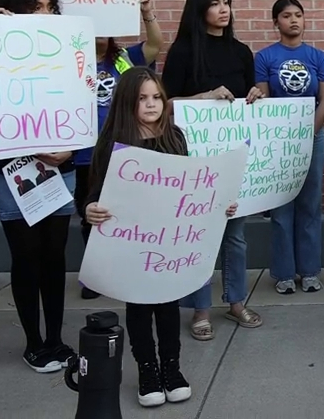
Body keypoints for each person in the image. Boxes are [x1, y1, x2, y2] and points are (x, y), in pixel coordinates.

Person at [84, 67, 239, 407]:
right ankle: (147, 369)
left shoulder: (175, 137)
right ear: (127, 102)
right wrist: (90, 209)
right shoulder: (112, 145)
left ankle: (172, 367)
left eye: (156, 97)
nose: (151, 104)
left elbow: (191, 188)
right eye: (142, 98)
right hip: (131, 243)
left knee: (168, 306)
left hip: (169, 243)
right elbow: (94, 194)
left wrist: (218, 205)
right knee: (139, 308)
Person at [0, 0, 78, 372]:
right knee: (27, 257)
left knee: (55, 258)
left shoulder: (62, 53)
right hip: (12, 172)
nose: (48, 13)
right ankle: (34, 343)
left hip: (60, 168)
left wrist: (69, 146)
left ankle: (55, 338)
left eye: (50, 7)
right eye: (38, 7)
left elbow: (78, 99)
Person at [161, 0, 265, 341]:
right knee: (200, 235)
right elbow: (166, 105)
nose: (224, 9)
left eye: (227, 2)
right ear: (199, 8)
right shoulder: (183, 51)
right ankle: (200, 310)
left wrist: (255, 95)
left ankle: (236, 301)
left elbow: (251, 98)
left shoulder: (241, 51)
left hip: (236, 157)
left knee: (235, 236)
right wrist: (204, 96)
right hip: (195, 158)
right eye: (215, 3)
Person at [73, 0, 163, 300]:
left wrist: (146, 11)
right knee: (91, 213)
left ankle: (127, 268)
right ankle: (95, 274)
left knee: (129, 212)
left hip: (126, 149)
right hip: (85, 153)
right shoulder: (68, 59)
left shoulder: (124, 58)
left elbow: (154, 45)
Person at [254, 0, 324, 295]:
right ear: (276, 22)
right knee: (281, 206)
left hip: (312, 136)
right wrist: (285, 137)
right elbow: (263, 98)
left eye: (299, 15)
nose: (294, 20)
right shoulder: (264, 57)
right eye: (286, 16)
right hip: (277, 139)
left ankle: (310, 271)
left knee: (310, 203)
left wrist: (307, 134)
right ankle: (284, 273)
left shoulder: (317, 57)